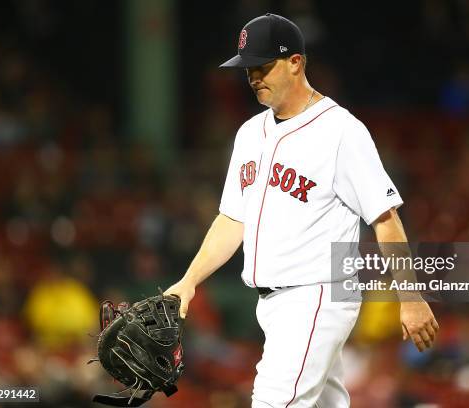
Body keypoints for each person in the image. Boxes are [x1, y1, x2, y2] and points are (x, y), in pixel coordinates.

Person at [165, 13, 438, 407]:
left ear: (296, 62)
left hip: (317, 293)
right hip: (273, 303)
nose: (254, 77)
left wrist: (410, 297)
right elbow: (232, 219)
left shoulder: (341, 131)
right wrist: (190, 281)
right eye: (248, 69)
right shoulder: (248, 134)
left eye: (263, 66)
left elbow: (385, 217)